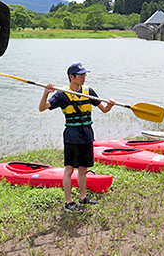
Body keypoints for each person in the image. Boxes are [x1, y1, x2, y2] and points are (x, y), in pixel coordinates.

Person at [39, 62, 115, 212]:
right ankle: (68, 202)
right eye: (80, 75)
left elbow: (104, 110)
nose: (83, 78)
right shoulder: (61, 94)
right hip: (72, 136)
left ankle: (83, 197)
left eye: (84, 75)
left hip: (86, 134)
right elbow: (42, 108)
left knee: (83, 169)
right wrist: (46, 93)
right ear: (71, 77)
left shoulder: (88, 91)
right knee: (69, 169)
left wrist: (110, 105)